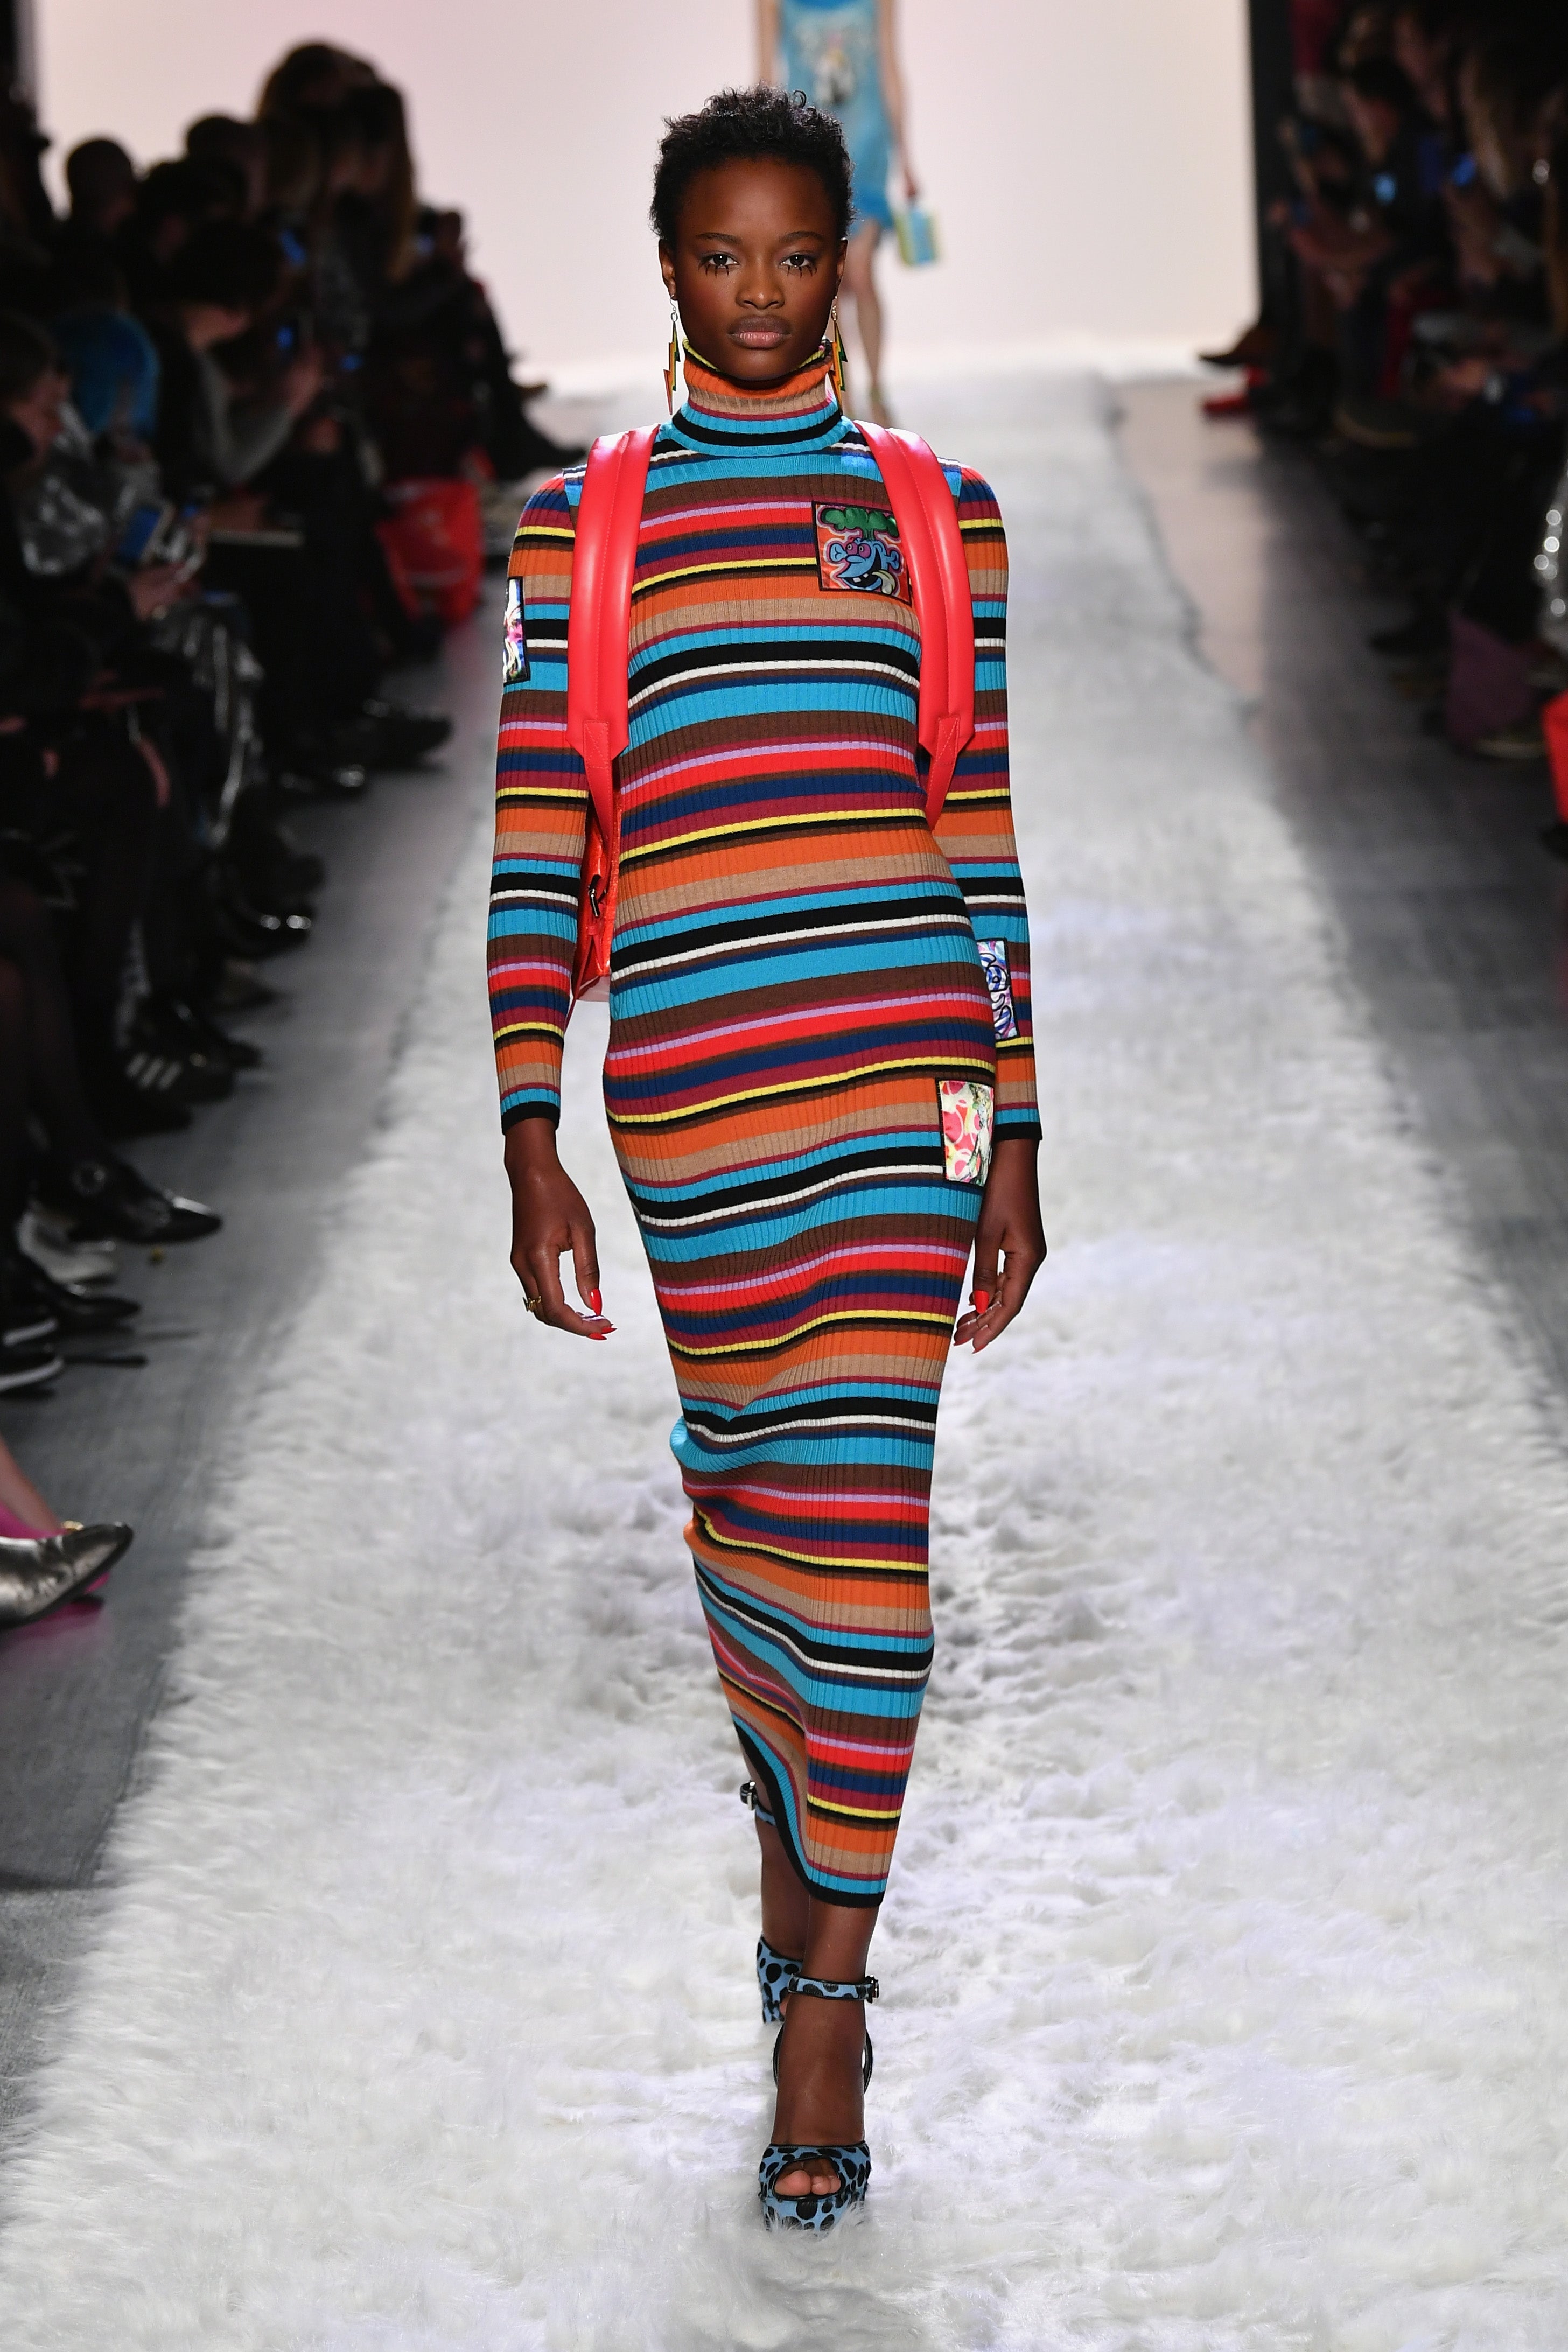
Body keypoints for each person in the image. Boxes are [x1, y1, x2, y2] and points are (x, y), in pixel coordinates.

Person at [489, 85, 1045, 2229]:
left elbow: (977, 830)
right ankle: (785, 1875)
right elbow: (540, 833)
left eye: (795, 254)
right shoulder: (581, 527)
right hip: (697, 1096)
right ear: (666, 264)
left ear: (843, 262)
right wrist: (527, 1126)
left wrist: (1017, 1127)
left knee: (871, 1534)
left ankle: (829, 2000)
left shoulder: (938, 514)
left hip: (901, 1082)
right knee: (751, 1518)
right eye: (719, 255)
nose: (757, 292)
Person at [758, 0, 917, 423]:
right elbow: (766, 76)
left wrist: (906, 156)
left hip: (869, 150)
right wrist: (766, 157)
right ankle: (843, 399)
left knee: (860, 272)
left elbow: (889, 66)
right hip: (811, 155)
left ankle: (877, 389)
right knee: (828, 282)